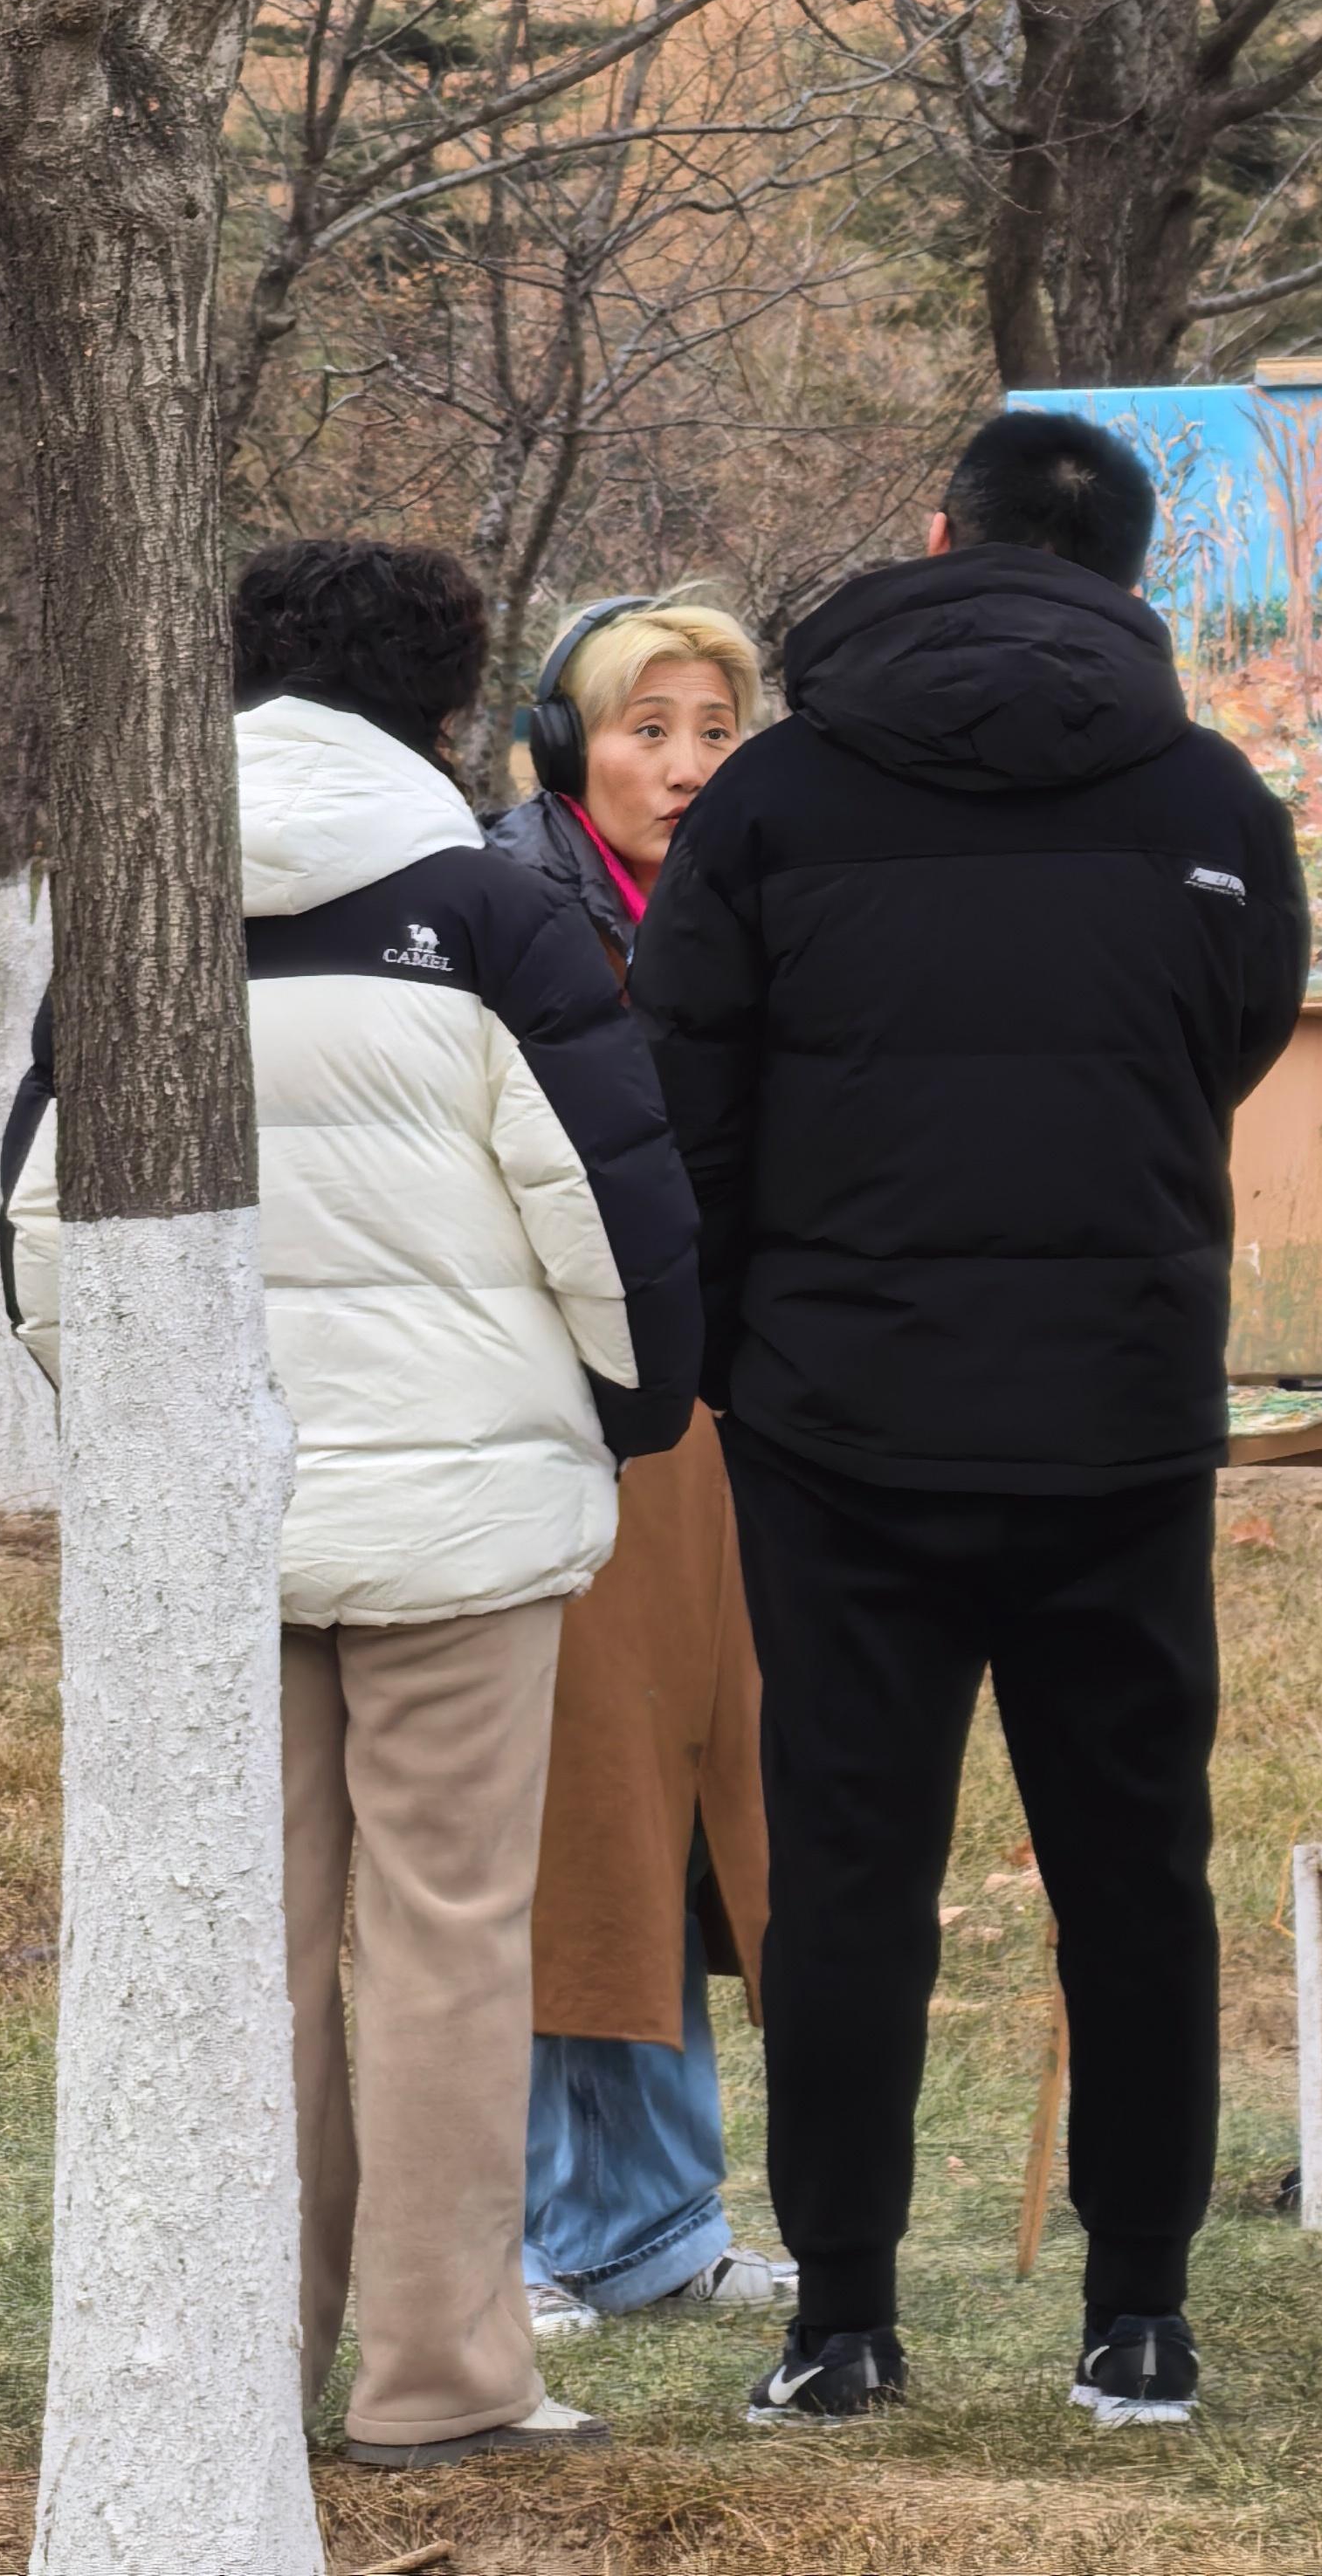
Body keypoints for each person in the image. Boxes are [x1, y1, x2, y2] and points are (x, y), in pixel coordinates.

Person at [634, 409, 1307, 2438]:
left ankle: (842, 2318)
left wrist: (740, 1342)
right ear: (1132, 575)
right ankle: (1142, 2319)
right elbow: (1235, 1037)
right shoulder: (1208, 792)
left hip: (839, 1416)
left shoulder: (773, 798)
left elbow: (690, 1100)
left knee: (846, 1872)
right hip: (1118, 1406)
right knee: (1137, 1865)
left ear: (942, 537)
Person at [3, 539, 699, 2474]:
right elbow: (615, 1220)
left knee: (253, 1941)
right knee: (450, 1937)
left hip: (222, 1515)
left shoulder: (127, 926)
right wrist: (627, 1419)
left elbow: (40, 1236)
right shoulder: (496, 917)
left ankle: (240, 2364)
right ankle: (441, 2381)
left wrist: (137, 1431)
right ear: (460, 705)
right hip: (462, 1516)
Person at [488, 598, 789, 2337]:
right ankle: (557, 2228)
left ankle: (661, 2219)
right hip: (561, 1404)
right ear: (564, 741)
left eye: (712, 729)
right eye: (642, 726)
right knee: (582, 1817)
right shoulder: (510, 914)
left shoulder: (743, 905)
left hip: (715, 1415)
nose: (680, 766)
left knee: (687, 1808)